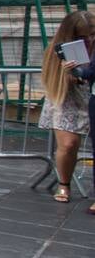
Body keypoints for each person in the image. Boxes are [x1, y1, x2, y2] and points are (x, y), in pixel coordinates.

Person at [38, 11, 95, 205]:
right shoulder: (57, 49)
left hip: (91, 95)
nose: (88, 39)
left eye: (92, 34)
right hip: (66, 97)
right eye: (82, 36)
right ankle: (64, 183)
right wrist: (67, 72)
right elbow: (51, 80)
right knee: (69, 144)